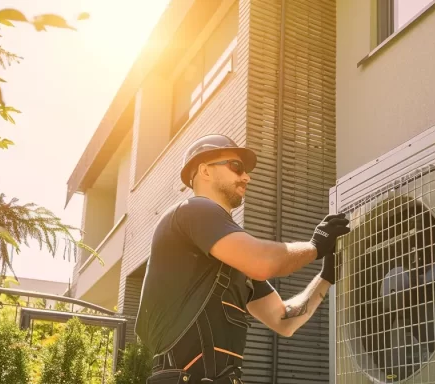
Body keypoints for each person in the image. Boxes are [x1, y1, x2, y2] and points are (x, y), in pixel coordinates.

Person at [135, 134, 350, 384]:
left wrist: (325, 277)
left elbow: (284, 320)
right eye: (236, 167)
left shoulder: (232, 261)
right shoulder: (194, 210)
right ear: (204, 170)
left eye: (245, 171)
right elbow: (264, 262)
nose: (246, 177)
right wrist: (314, 247)